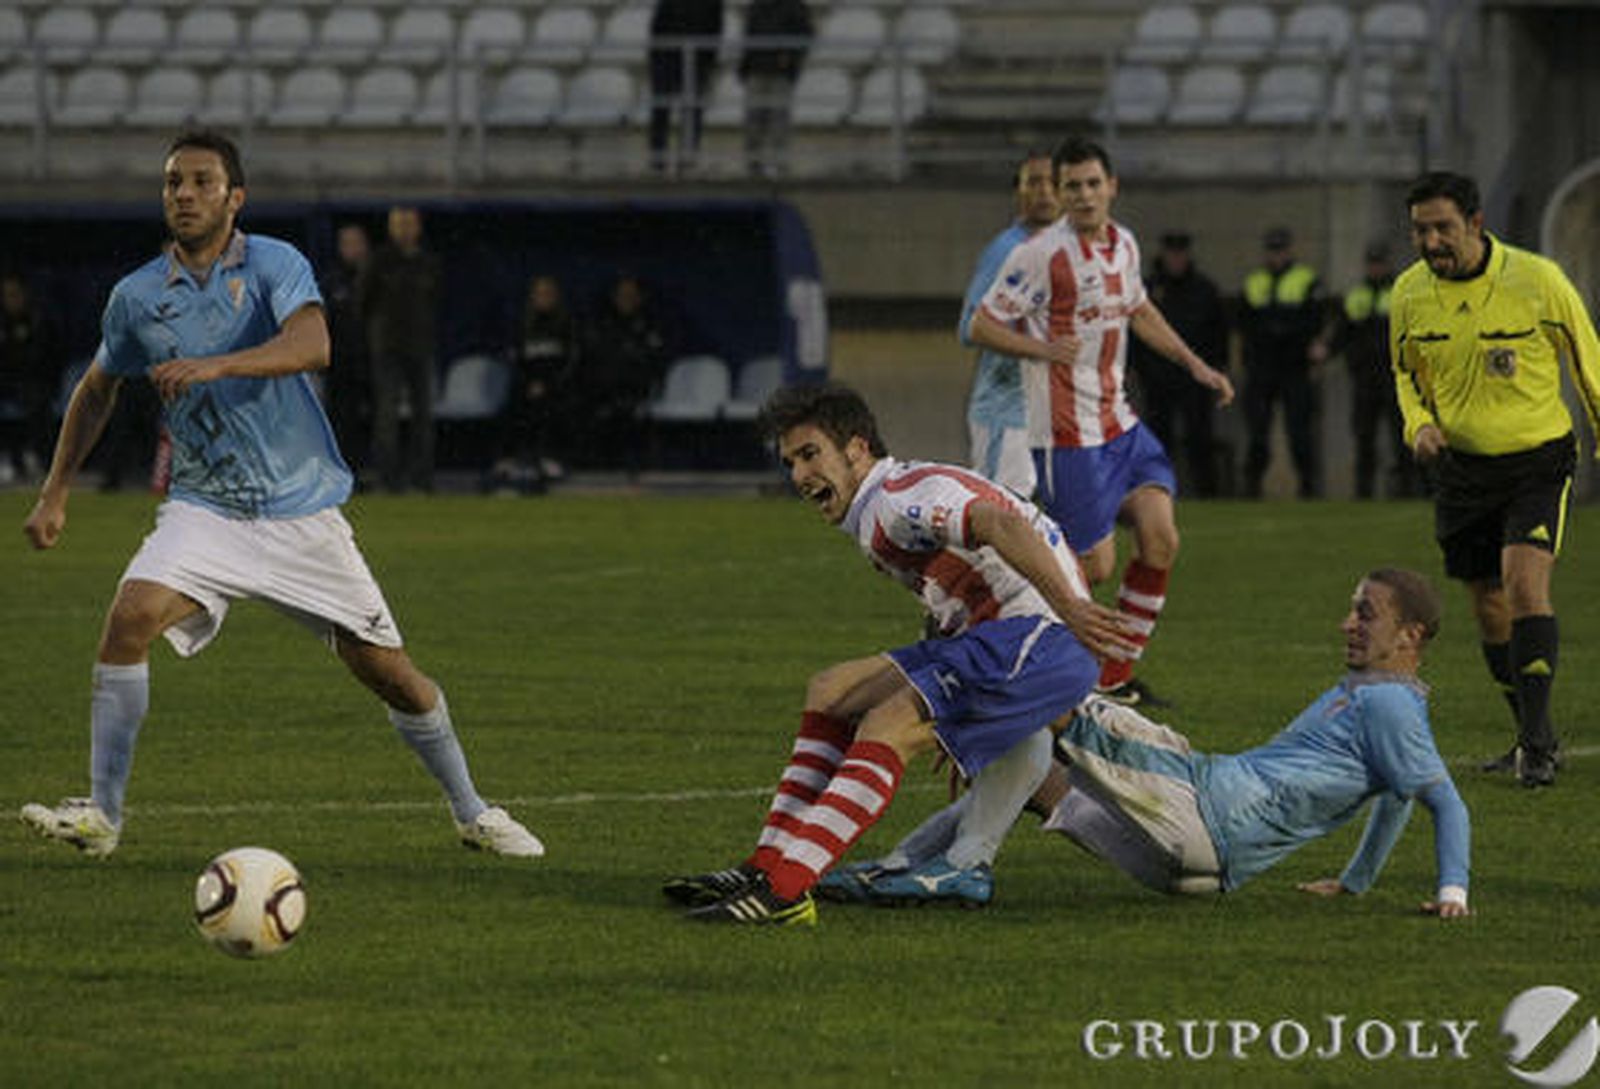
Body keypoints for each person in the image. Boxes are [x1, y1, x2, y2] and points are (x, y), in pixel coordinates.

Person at [18, 130, 543, 861]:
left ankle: (472, 809)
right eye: (174, 182)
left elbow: (313, 344)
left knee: (391, 673)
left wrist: (215, 366)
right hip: (206, 510)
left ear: (236, 197)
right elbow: (98, 387)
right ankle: (103, 814)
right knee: (130, 617)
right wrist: (55, 492)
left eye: (202, 182)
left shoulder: (273, 263)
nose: (185, 194)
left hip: (302, 515)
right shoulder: (136, 297)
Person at [661, 383, 1135, 925]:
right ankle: (766, 866)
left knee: (888, 724)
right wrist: (947, 694)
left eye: (810, 454)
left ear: (858, 449)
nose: (798, 477)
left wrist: (1071, 609)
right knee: (832, 691)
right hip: (1002, 636)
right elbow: (957, 590)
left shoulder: (897, 499)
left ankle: (786, 894)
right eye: (789, 462)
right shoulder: (882, 506)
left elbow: (1001, 524)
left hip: (1038, 636)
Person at [1037, 568, 1471, 919]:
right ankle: (971, 844)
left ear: (1409, 636)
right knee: (1054, 789)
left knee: (1051, 696)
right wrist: (1355, 881)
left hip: (1207, 808)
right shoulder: (1388, 700)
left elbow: (1447, 803)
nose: (1348, 624)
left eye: (1366, 614)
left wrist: (1454, 892)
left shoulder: (1386, 702)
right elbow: (1400, 793)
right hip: (1206, 870)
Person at [968, 136, 1234, 708]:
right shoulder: (1041, 254)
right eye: (1072, 186)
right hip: (1067, 437)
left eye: (1093, 184)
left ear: (1112, 186)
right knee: (1091, 567)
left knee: (1161, 539)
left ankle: (1111, 679)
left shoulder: (1125, 245)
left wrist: (1195, 365)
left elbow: (1138, 310)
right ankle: (1004, 654)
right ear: (1060, 193)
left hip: (1121, 424)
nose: (1084, 195)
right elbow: (982, 325)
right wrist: (1038, 349)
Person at [1389, 171, 1600, 788]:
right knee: (1488, 606)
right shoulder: (1408, 294)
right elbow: (1405, 373)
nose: (1432, 242)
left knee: (1523, 580)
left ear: (1476, 225)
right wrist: (1418, 424)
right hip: (1461, 471)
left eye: (1443, 228)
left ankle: (1535, 748)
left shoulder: (1538, 281)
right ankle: (1532, 732)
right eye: (1421, 230)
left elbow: (1589, 362)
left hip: (1537, 460)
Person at [956, 149, 1061, 497]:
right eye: (1034, 182)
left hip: (1056, 411)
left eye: (1053, 182)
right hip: (1008, 409)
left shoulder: (1069, 249)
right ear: (1019, 191)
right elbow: (970, 326)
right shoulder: (1007, 249)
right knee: (1001, 522)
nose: (1044, 191)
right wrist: (1044, 350)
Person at [1128, 232, 1229, 498]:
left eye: (1180, 253)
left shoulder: (1204, 289)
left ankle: (1208, 493)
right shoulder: (1146, 289)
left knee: (1200, 436)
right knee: (1159, 438)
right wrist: (1136, 368)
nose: (1176, 259)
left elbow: (1219, 333)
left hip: (1193, 378)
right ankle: (1159, 493)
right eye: (1171, 253)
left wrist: (1214, 368)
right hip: (1156, 376)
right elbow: (1134, 331)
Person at [1315, 240, 1416, 500]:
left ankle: (1409, 489)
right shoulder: (1356, 295)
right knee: (1364, 437)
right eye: (1372, 263)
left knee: (1401, 437)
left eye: (1379, 263)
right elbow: (1342, 331)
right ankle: (1364, 492)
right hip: (1364, 378)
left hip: (1396, 378)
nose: (1375, 268)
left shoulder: (1402, 293)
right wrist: (1325, 349)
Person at [1238, 226, 1327, 499]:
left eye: (1280, 250)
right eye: (1272, 250)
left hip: (1294, 367)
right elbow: (1244, 324)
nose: (1276, 256)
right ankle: (1252, 487)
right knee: (1257, 433)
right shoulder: (1253, 282)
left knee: (1299, 433)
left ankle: (1308, 488)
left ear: (1289, 250)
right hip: (1262, 368)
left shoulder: (1306, 279)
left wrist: (1282, 333)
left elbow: (1314, 320)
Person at [363, 204, 441, 494]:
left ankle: (422, 479)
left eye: (409, 224)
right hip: (388, 347)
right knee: (387, 415)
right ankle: (388, 479)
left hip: (420, 346)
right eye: (399, 224)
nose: (404, 230)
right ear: (391, 228)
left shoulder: (428, 262)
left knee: (424, 415)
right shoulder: (380, 261)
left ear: (418, 227)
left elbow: (436, 301)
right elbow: (364, 302)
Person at [488, 273, 579, 493]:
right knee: (514, 406)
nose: (543, 298)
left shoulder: (566, 324)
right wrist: (529, 383)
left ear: (556, 297)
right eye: (539, 294)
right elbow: (514, 359)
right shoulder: (522, 324)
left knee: (555, 406)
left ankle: (550, 459)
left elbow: (571, 361)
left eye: (548, 294)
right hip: (526, 385)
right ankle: (509, 461)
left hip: (556, 385)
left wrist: (548, 384)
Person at [577, 273, 668, 469]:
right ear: (613, 297)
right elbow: (592, 362)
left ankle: (637, 467)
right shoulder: (602, 325)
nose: (626, 300)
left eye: (631, 295)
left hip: (636, 393)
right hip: (602, 394)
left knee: (627, 414)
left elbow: (655, 363)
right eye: (622, 295)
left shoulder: (650, 325)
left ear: (640, 298)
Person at [320, 222, 372, 483]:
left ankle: (373, 472)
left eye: (356, 243)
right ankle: (340, 473)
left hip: (372, 360)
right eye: (346, 243)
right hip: (339, 362)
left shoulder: (375, 277)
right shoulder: (331, 281)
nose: (351, 249)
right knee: (338, 419)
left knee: (371, 419)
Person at [648, 0, 724, 175]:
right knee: (661, 110)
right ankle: (658, 160)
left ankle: (687, 159)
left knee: (692, 112)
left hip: (697, 62)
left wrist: (708, 60)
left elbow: (715, 30)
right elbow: (658, 26)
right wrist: (656, 56)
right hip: (667, 58)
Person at [738, 0, 812, 178]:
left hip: (780, 72)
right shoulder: (756, 7)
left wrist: (790, 56)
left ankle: (779, 163)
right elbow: (748, 38)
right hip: (757, 69)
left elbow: (805, 36)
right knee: (754, 117)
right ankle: (754, 163)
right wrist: (745, 65)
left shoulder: (796, 7)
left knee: (778, 118)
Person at [0, 271, 62, 485]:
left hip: (33, 381)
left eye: (14, 294)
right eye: (6, 295)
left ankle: (31, 455)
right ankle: (8, 457)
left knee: (36, 398)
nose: (10, 300)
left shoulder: (38, 321)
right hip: (7, 382)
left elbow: (45, 360)